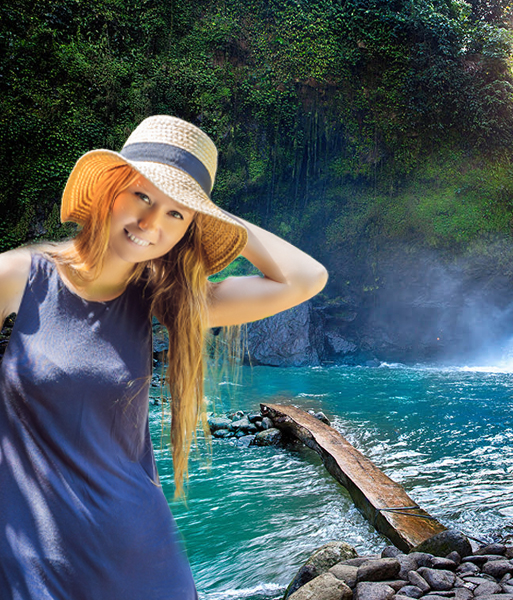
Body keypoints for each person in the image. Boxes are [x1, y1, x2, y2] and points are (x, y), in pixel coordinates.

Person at [0, 115, 328, 599]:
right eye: (143, 195)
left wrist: (213, 213)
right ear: (112, 189)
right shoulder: (18, 276)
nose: (151, 224)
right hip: (30, 554)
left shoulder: (164, 300)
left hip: (137, 553)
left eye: (176, 214)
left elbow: (305, 278)